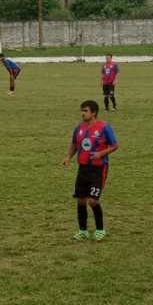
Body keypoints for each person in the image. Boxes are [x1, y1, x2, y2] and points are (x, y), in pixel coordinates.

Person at [63, 100, 119, 241]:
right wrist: (68, 157)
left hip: (98, 169)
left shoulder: (104, 127)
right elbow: (74, 144)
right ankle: (83, 230)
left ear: (93, 112)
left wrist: (101, 154)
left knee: (93, 201)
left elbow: (115, 145)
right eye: (81, 110)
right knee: (81, 200)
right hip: (83, 169)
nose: (82, 113)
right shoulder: (79, 128)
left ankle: (100, 229)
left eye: (85, 111)